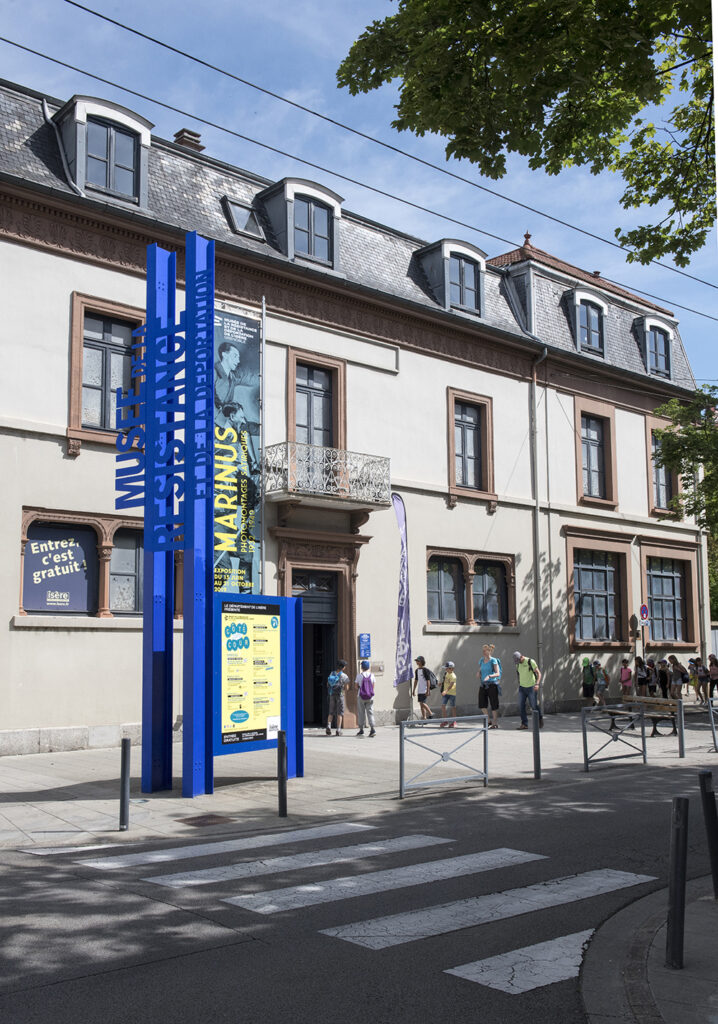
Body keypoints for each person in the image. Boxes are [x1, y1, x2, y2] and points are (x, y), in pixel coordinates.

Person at [514, 651, 542, 729]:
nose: (518, 662)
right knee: (521, 706)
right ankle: (524, 724)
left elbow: (539, 674)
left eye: (519, 660)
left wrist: (537, 684)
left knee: (534, 705)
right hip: (522, 688)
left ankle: (540, 719)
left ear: (521, 656)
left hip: (531, 687)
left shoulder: (530, 661)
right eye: (516, 661)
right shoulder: (518, 664)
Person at [477, 644, 501, 728]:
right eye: (483, 650)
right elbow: (480, 669)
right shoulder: (481, 660)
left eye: (485, 650)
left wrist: (489, 676)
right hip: (483, 684)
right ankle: (488, 720)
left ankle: (495, 723)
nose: (483, 652)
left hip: (492, 684)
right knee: (482, 704)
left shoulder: (493, 660)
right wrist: (478, 673)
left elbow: (497, 673)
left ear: (489, 651)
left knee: (494, 704)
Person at [326, 659, 349, 736]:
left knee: (331, 712)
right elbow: (347, 687)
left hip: (332, 694)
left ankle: (328, 726)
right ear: (343, 667)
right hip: (340, 695)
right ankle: (338, 730)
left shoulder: (331, 673)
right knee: (340, 713)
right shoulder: (344, 676)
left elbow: (327, 684)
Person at [355, 659, 376, 737]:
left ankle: (361, 730)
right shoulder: (372, 675)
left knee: (361, 713)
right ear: (368, 667)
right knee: (370, 712)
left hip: (361, 696)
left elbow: (356, 686)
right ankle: (373, 729)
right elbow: (373, 687)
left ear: (362, 667)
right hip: (370, 697)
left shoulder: (359, 676)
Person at [440, 660, 458, 727]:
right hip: (446, 694)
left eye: (447, 668)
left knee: (453, 707)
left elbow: (451, 685)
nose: (446, 669)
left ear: (451, 669)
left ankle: (454, 721)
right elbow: (445, 681)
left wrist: (445, 691)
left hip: (451, 694)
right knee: (443, 706)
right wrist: (441, 683)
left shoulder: (453, 676)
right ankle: (445, 721)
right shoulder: (446, 673)